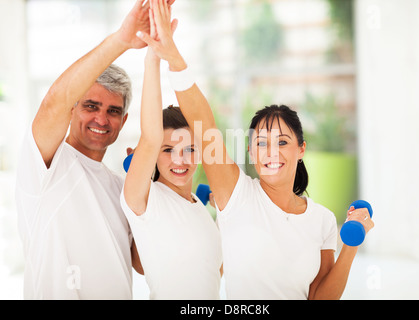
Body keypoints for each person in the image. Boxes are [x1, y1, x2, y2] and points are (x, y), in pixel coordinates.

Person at [143, 0, 374, 300]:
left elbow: (320, 297)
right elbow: (203, 124)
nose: (271, 153)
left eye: (282, 142)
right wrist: (173, 58)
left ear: (301, 149)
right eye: (261, 144)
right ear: (251, 154)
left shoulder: (323, 220)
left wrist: (351, 247)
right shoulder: (236, 195)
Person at [14, 0, 161, 299]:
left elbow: (143, 264)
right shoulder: (46, 163)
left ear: (124, 121)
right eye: (91, 106)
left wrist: (153, 185)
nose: (101, 119)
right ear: (71, 110)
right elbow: (54, 100)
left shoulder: (121, 188)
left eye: (113, 111)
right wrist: (122, 40)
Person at [120, 2, 222, 300]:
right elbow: (150, 137)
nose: (181, 159)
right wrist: (154, 57)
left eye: (191, 148)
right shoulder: (143, 201)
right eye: (168, 150)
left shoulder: (201, 211)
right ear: (152, 153)